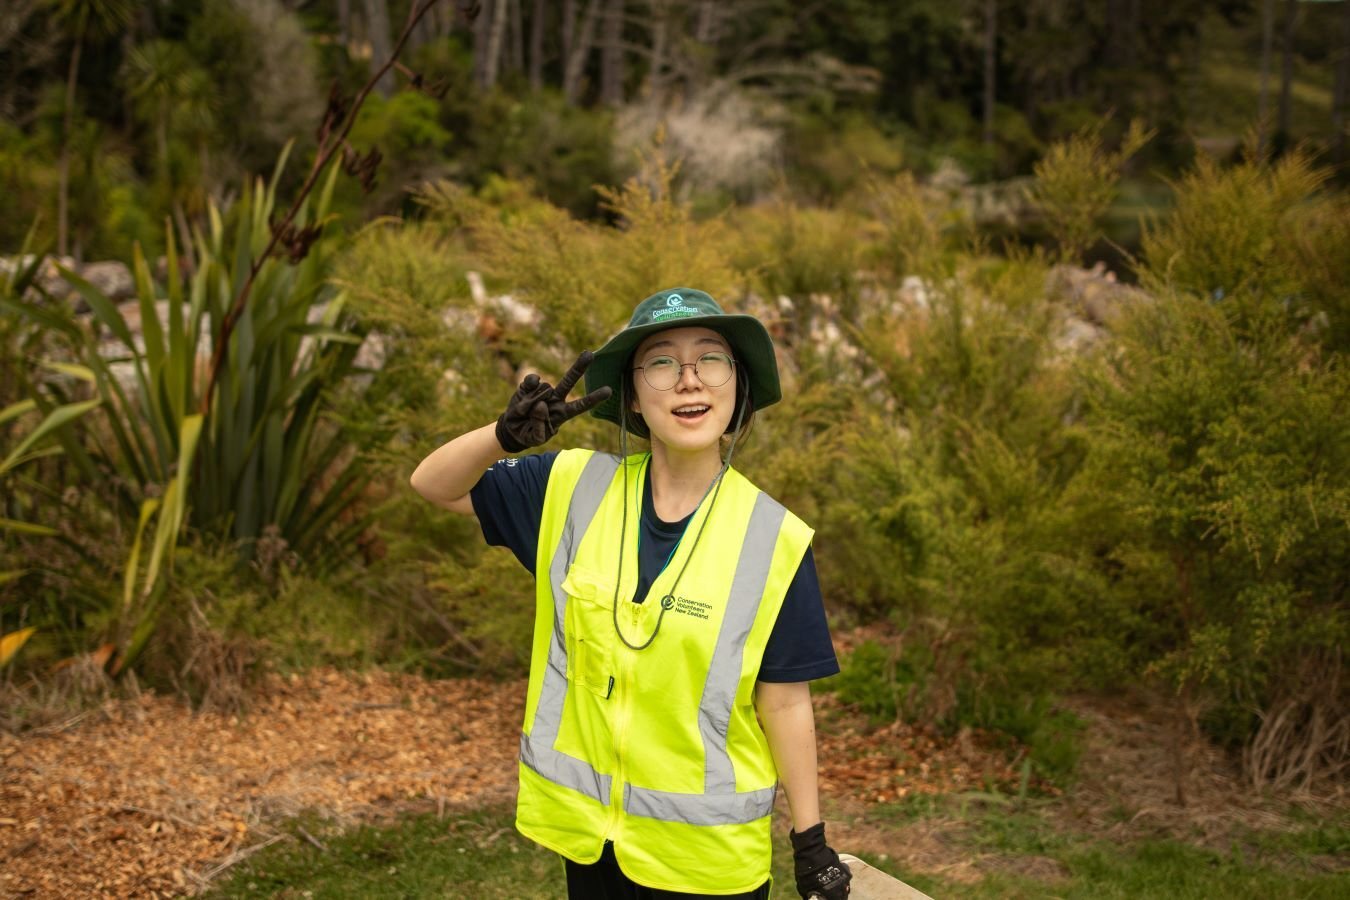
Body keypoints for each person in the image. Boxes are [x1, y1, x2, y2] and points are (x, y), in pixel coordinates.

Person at [411, 288, 851, 899]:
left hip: (708, 861)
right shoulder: (570, 489)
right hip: (595, 849)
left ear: (737, 389)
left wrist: (811, 839)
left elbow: (785, 703)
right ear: (635, 399)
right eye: (663, 363)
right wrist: (501, 438)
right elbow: (432, 483)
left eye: (712, 361)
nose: (689, 381)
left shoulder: (774, 538)